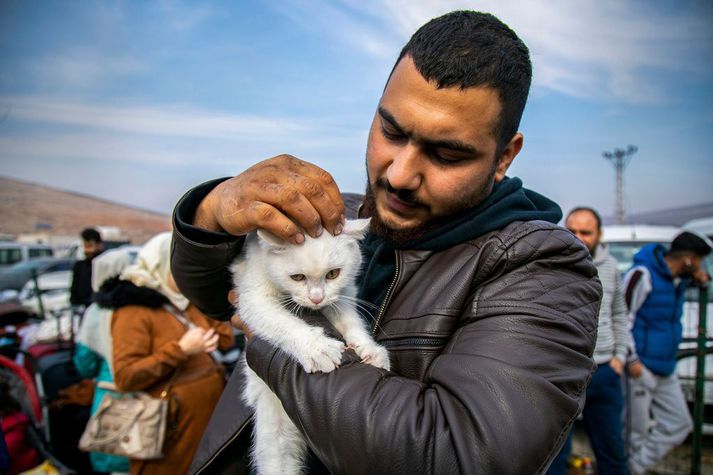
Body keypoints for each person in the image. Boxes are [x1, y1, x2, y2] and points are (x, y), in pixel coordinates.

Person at [172, 11, 602, 474]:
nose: (398, 175)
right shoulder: (341, 215)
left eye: (446, 153)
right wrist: (211, 212)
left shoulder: (542, 269)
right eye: (391, 131)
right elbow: (214, 295)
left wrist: (274, 337)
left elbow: (459, 456)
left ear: (504, 157)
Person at [107, 232, 234, 475]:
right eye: (181, 266)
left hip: (205, 425)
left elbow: (225, 340)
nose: (187, 273)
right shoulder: (135, 310)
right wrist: (181, 350)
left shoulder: (186, 300)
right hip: (170, 434)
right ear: (162, 265)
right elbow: (126, 377)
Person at [548, 208, 630, 474]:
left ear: (599, 235)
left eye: (586, 232)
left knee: (612, 450)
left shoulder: (612, 267)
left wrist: (620, 356)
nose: (579, 237)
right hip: (563, 372)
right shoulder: (550, 264)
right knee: (555, 453)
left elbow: (619, 312)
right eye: (572, 231)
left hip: (605, 371)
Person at [624, 231, 711, 474]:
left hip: (666, 365)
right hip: (641, 367)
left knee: (679, 423)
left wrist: (701, 278)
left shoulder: (678, 279)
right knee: (634, 432)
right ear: (688, 259)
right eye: (699, 260)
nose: (700, 266)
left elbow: (699, 279)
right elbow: (623, 316)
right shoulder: (642, 275)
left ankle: (633, 467)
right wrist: (632, 360)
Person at [73, 247, 137, 474]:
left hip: (112, 398)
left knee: (116, 464)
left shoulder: (97, 311)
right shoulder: (151, 305)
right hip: (153, 394)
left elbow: (85, 364)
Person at [70, 227, 104, 308]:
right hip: (82, 308)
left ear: (99, 245)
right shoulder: (79, 266)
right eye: (85, 246)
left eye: (90, 246)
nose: (87, 250)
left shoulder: (105, 265)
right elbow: (74, 290)